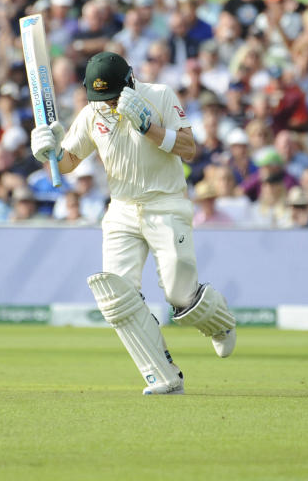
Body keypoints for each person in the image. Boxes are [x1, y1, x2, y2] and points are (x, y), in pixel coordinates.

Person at [30, 51, 236, 396]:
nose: (107, 105)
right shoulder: (92, 112)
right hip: (122, 209)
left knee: (179, 295)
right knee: (116, 296)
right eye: (100, 99)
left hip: (166, 204)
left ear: (128, 83)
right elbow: (68, 163)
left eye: (112, 98)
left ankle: (219, 323)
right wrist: (46, 152)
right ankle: (164, 377)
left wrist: (148, 127)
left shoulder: (159, 95)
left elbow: (189, 149)